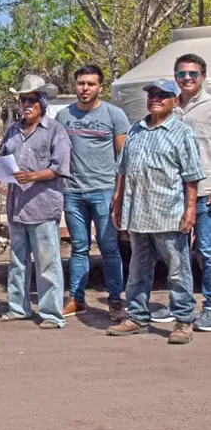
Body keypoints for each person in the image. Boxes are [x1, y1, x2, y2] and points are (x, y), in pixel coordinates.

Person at [107, 80, 204, 345]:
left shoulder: (182, 133)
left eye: (162, 95)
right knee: (138, 270)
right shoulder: (135, 130)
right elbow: (123, 171)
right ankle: (137, 316)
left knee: (177, 270)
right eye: (151, 95)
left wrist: (191, 209)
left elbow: (191, 177)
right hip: (138, 214)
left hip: (169, 214)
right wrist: (117, 202)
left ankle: (183, 321)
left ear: (175, 100)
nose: (155, 99)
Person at [0, 75, 71, 329]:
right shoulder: (12, 131)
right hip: (17, 206)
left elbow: (60, 167)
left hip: (44, 205)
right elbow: (4, 161)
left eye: (31, 100)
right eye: (23, 100)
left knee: (47, 262)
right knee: (17, 261)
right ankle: (18, 307)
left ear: (42, 103)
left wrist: (34, 176)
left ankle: (51, 313)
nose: (26, 105)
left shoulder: (56, 131)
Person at [54, 65, 129, 321]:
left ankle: (116, 300)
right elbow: (56, 152)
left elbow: (124, 158)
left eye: (90, 84)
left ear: (100, 87)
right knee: (79, 247)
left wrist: (120, 193)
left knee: (109, 247)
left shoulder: (114, 115)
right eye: (81, 83)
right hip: (73, 191)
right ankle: (77, 298)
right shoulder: (64, 116)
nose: (85, 88)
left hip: (104, 191)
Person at [171, 53, 211, 331]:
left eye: (192, 74)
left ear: (203, 77)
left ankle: (209, 307)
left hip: (207, 190)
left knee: (207, 252)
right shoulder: (169, 107)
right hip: (174, 193)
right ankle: (181, 306)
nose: (187, 79)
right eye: (182, 74)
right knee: (177, 252)